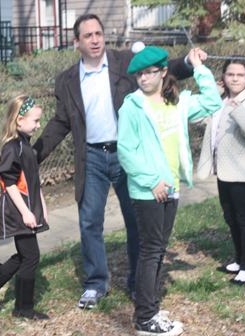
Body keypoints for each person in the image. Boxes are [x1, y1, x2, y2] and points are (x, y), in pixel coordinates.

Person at [33, 13, 204, 309]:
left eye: (98, 33)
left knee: (137, 221)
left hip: (131, 156)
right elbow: (60, 122)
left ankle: (140, 284)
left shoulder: (125, 62)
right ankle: (95, 284)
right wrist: (33, 155)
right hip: (93, 159)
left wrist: (188, 62)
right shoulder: (67, 81)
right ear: (77, 43)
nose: (95, 39)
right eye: (88, 36)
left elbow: (163, 67)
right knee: (90, 222)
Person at [117, 43, 222, 335]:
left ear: (164, 72)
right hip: (148, 190)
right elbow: (126, 151)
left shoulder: (179, 102)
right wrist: (152, 181)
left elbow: (213, 102)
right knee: (151, 251)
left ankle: (149, 309)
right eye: (139, 75)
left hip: (172, 188)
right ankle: (145, 318)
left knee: (158, 250)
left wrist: (199, 68)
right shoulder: (132, 106)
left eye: (150, 73)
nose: (144, 79)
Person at [0, 95, 50, 321]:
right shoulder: (12, 147)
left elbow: (33, 181)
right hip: (18, 212)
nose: (38, 125)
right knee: (32, 256)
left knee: (25, 256)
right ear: (19, 121)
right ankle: (23, 309)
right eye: (35, 121)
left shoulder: (25, 146)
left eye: (39, 121)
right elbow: (9, 183)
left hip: (28, 211)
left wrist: (41, 206)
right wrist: (26, 212)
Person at [197, 57, 245, 285]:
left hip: (242, 171)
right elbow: (198, 119)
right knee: (230, 217)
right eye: (230, 74)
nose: (235, 78)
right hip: (223, 170)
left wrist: (240, 112)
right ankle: (239, 260)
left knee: (244, 219)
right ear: (224, 77)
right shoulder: (220, 100)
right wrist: (211, 95)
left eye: (240, 75)